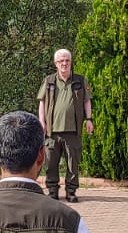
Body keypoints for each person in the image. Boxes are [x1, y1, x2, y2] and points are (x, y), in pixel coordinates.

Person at [37, 49, 93, 204]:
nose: (64, 63)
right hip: (52, 131)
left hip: (73, 130)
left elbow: (87, 101)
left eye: (67, 60)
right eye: (61, 61)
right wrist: (42, 122)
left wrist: (89, 119)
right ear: (56, 64)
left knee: (72, 163)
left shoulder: (80, 81)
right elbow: (42, 102)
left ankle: (71, 192)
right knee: (51, 163)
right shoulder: (49, 81)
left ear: (71, 62)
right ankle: (52, 191)